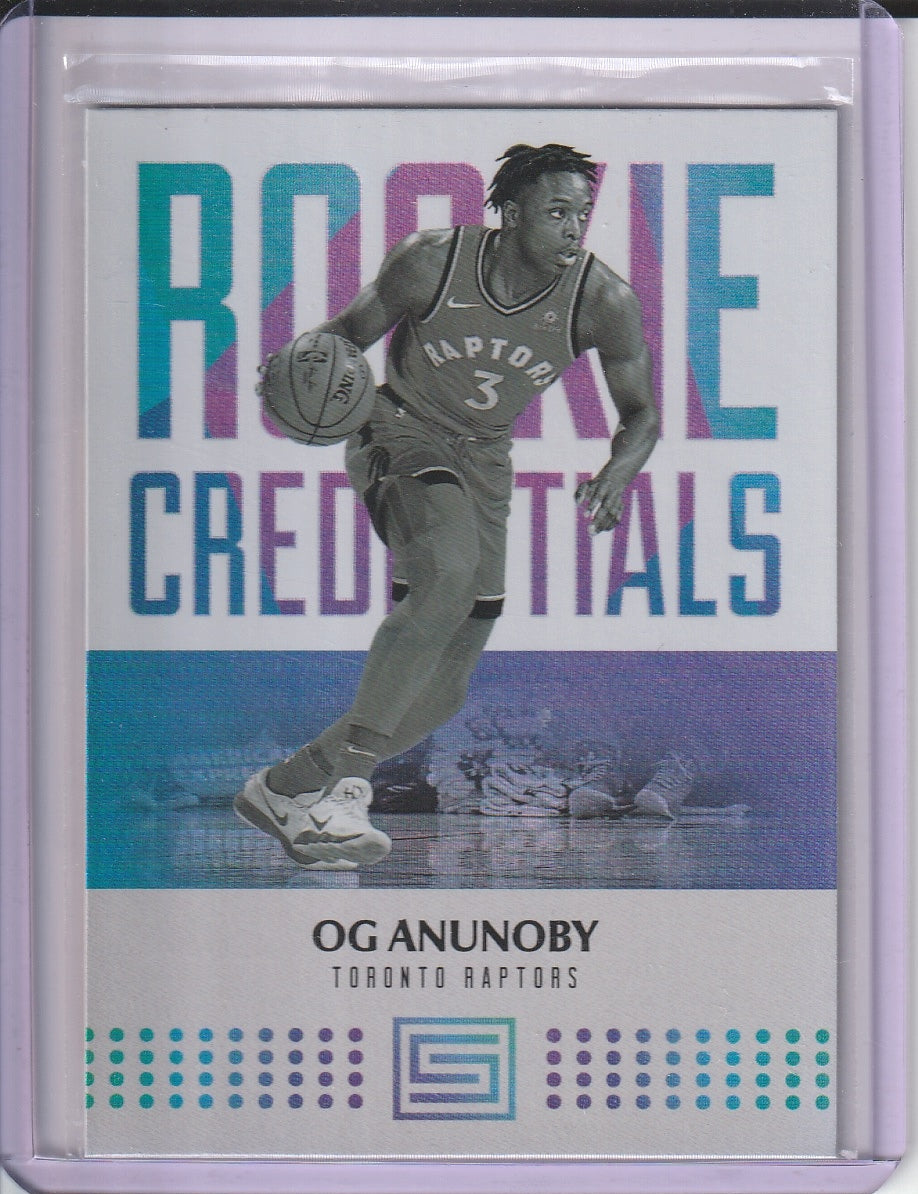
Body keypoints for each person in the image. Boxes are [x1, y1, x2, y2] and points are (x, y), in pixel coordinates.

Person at [234, 143, 660, 869]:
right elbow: (344, 338)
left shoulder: (603, 301)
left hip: (485, 461)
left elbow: (641, 413)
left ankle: (283, 788)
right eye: (557, 212)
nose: (573, 228)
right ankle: (348, 793)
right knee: (450, 573)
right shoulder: (431, 260)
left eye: (582, 214)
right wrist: (289, 371)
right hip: (397, 429)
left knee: (443, 692)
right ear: (512, 214)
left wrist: (619, 471)